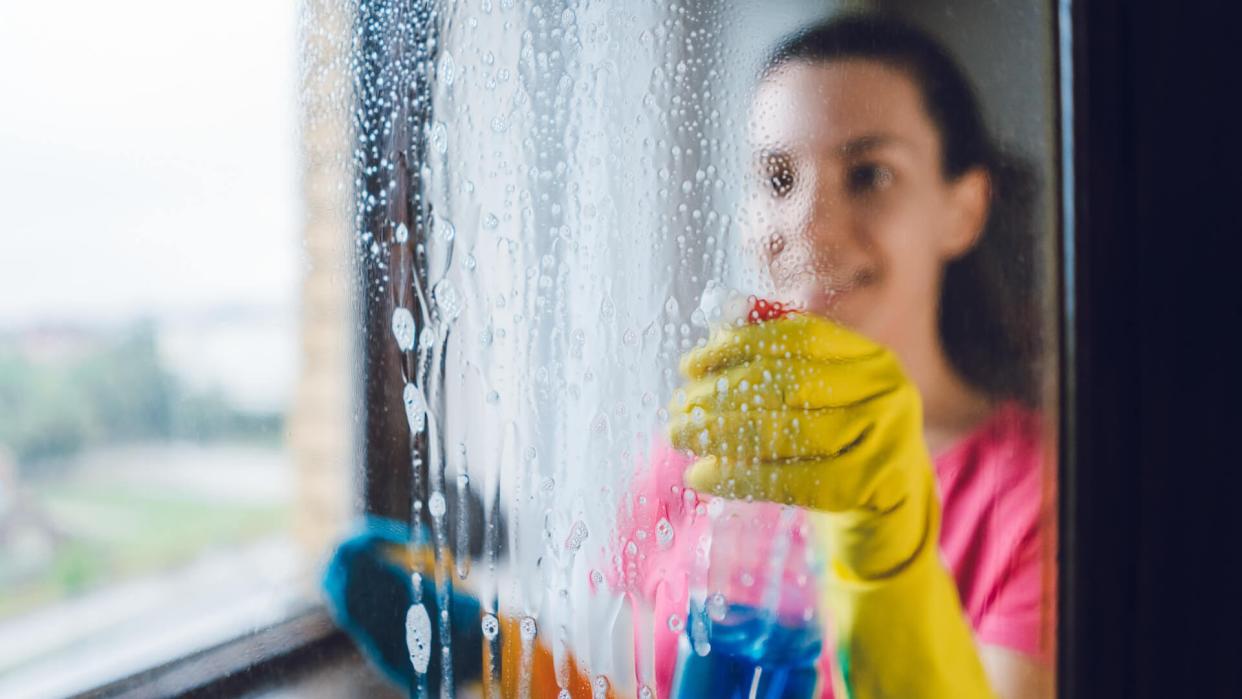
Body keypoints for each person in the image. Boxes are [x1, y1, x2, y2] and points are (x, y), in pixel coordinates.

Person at [622, 14, 1051, 699]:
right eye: (779, 177)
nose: (810, 228)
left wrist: (888, 557)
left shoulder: (1038, 494)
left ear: (964, 209)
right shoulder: (704, 452)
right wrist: (493, 655)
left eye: (869, 174)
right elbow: (627, 669)